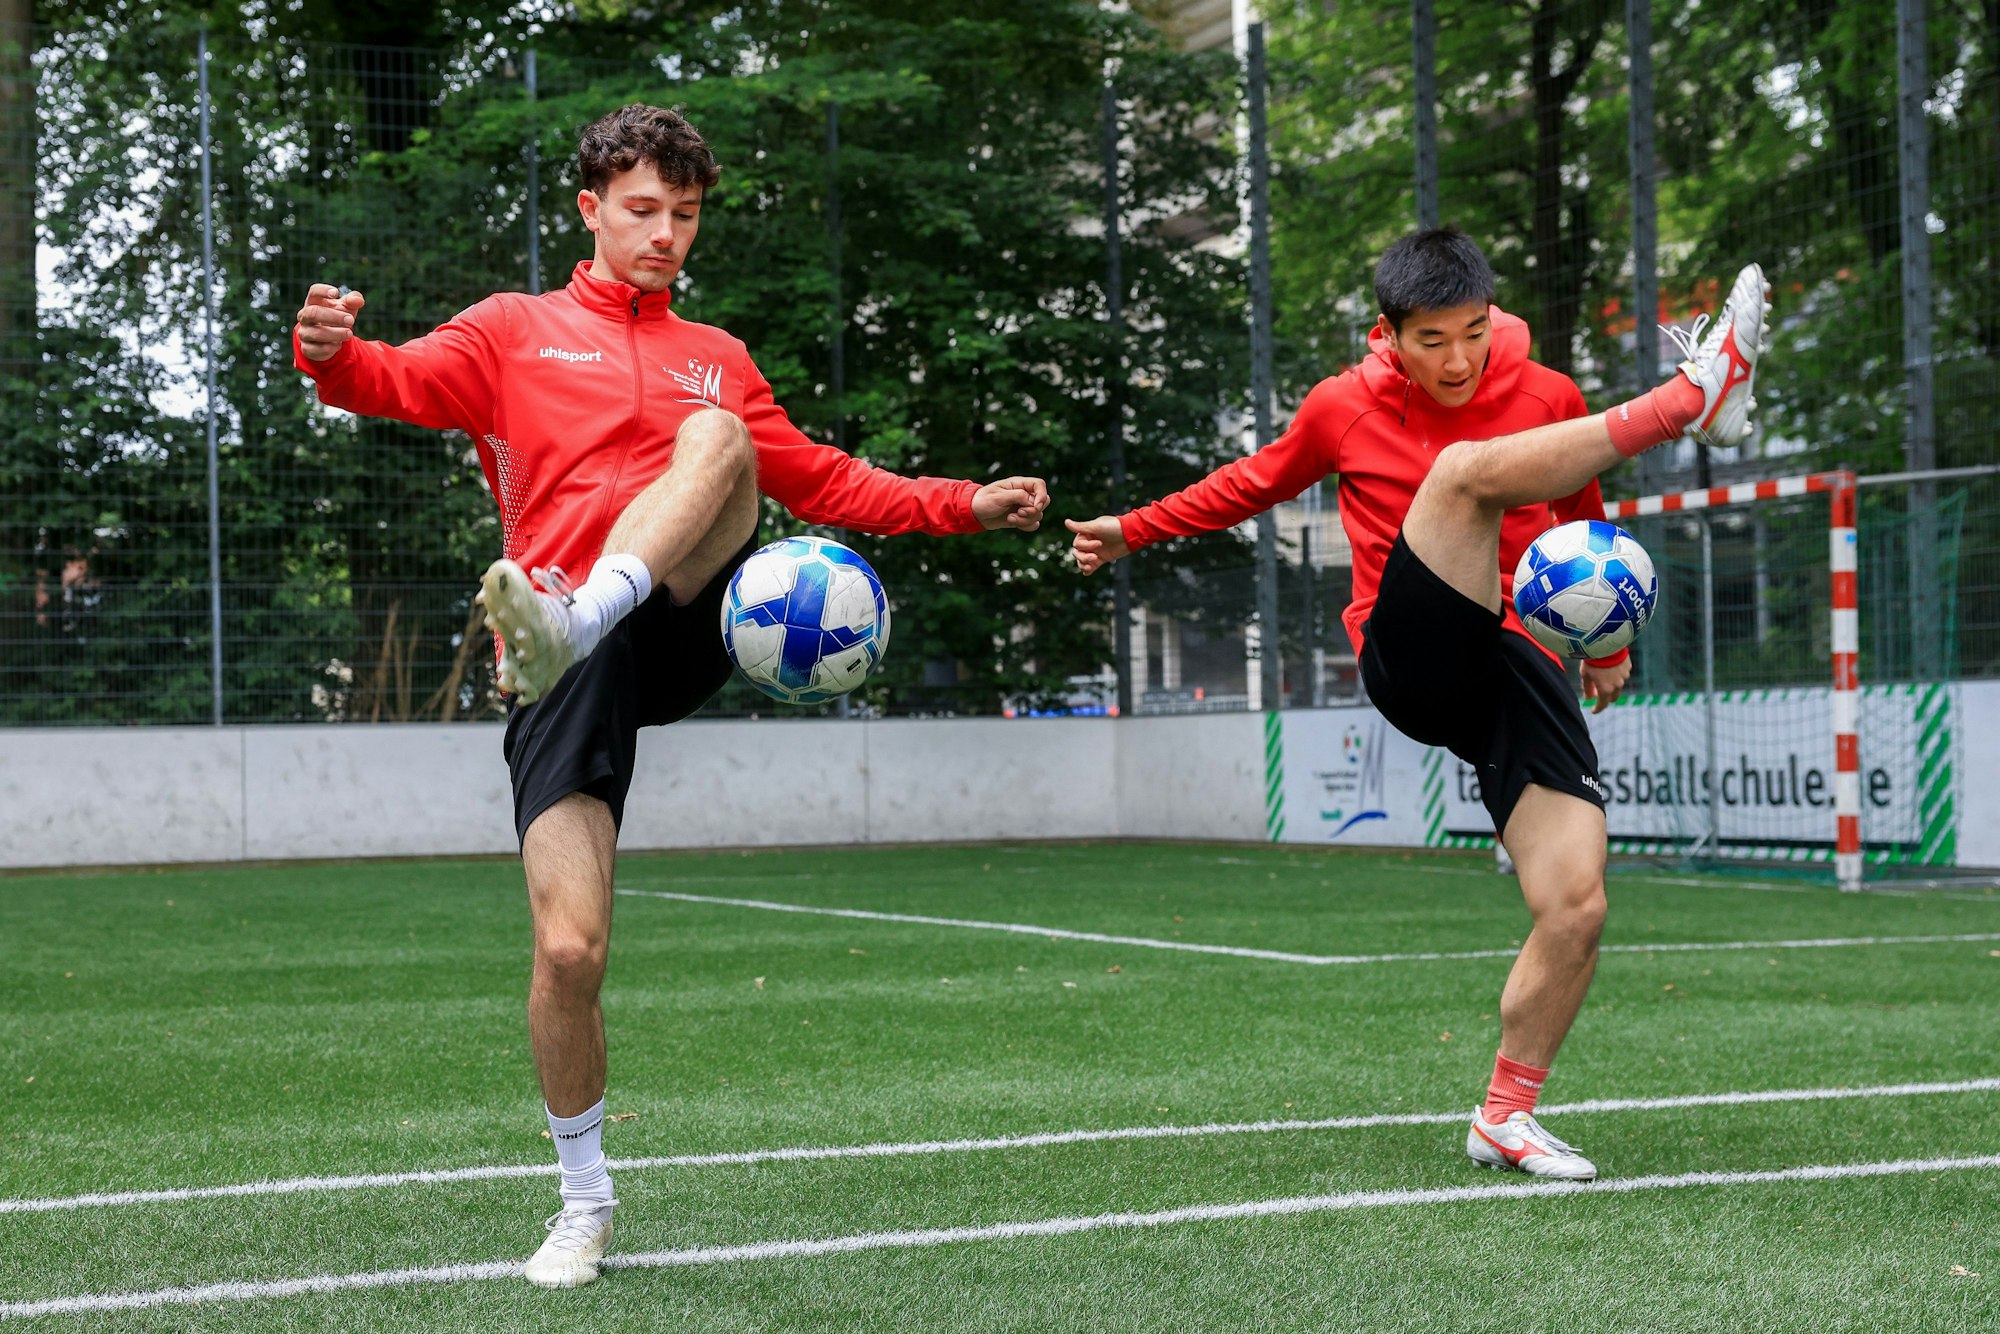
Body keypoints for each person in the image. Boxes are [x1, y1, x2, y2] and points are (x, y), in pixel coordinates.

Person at [293, 104, 1050, 1288]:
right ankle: (583, 1198)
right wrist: (331, 349)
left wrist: (961, 502)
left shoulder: (717, 355)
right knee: (570, 946)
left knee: (719, 434)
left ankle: (582, 611)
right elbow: (388, 381)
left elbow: (825, 475)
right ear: (588, 207)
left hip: (674, 613)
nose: (664, 235)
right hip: (562, 662)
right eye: (641, 210)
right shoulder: (511, 330)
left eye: (683, 215)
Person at [1070, 228, 1768, 1181]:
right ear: (1387, 335)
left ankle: (1506, 1116)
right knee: (1465, 475)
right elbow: (1250, 484)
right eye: (1432, 339)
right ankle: (1691, 397)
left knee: (1575, 906)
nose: (1459, 358)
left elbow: (1583, 522)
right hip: (1412, 655)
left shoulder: (1547, 392)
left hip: (1518, 663)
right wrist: (1129, 530)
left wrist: (1609, 640)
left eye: (1474, 332)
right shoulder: (1341, 407)